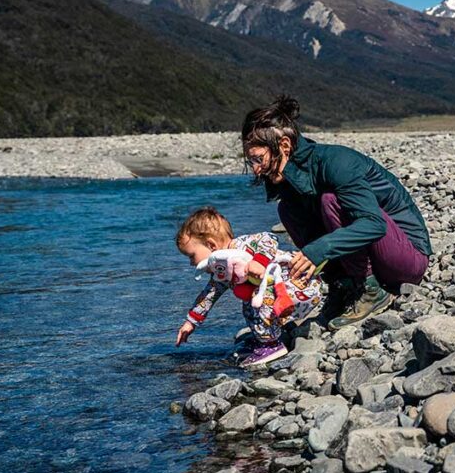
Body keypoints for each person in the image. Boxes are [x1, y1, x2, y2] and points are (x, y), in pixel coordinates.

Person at [241, 96, 431, 330]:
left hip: (407, 257)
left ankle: (371, 289)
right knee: (288, 209)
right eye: (251, 162)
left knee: (331, 200)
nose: (257, 170)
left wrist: (316, 251)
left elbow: (374, 224)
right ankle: (344, 287)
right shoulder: (290, 179)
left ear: (284, 146)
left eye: (259, 160)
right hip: (378, 254)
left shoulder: (337, 162)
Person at [174, 206, 323, 369]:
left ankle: (272, 346)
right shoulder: (222, 271)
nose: (191, 263)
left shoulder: (241, 246)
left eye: (191, 256)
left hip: (301, 283)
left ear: (211, 245)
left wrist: (259, 261)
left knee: (256, 300)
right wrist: (191, 322)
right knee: (249, 305)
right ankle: (266, 338)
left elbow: (269, 238)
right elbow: (208, 295)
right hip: (287, 294)